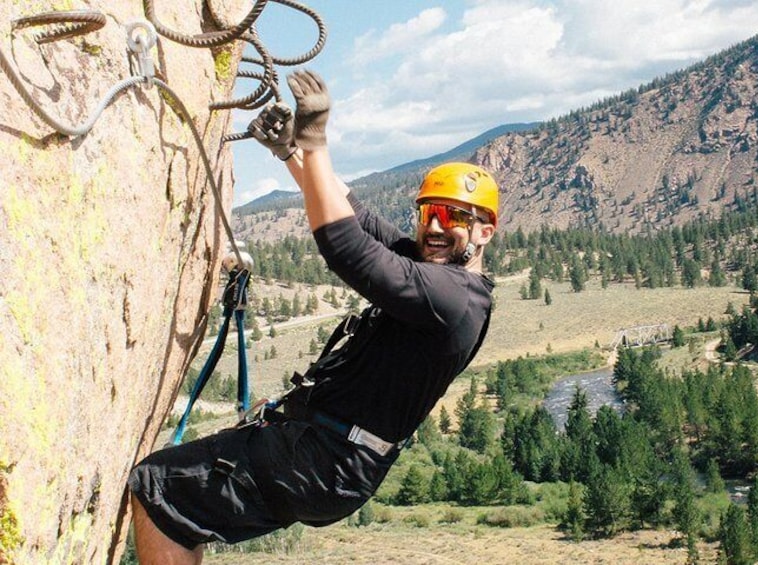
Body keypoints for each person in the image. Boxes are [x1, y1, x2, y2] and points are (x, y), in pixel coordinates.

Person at [127, 69, 498, 563]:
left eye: (453, 217)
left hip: (324, 459)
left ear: (485, 234)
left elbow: (346, 247)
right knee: (182, 495)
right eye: (428, 211)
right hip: (323, 452)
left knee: (159, 490)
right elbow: (357, 218)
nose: (434, 226)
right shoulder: (438, 270)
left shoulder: (452, 297)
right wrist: (291, 154)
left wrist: (316, 139)